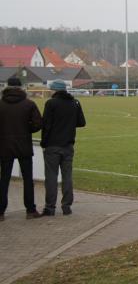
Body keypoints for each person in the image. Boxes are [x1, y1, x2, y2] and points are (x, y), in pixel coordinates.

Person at [41, 80, 86, 216]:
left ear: (55, 90)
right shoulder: (74, 103)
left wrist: (44, 142)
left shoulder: (51, 103)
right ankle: (66, 205)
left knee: (51, 177)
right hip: (68, 145)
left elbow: (46, 125)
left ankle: (50, 207)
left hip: (52, 145)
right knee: (67, 176)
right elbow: (81, 122)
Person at [0, 77, 43, 220]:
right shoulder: (29, 104)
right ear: (21, 87)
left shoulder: (1, 104)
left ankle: (1, 212)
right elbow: (38, 124)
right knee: (28, 179)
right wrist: (26, 129)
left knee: (4, 179)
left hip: (5, 145)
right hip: (23, 144)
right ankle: (30, 210)